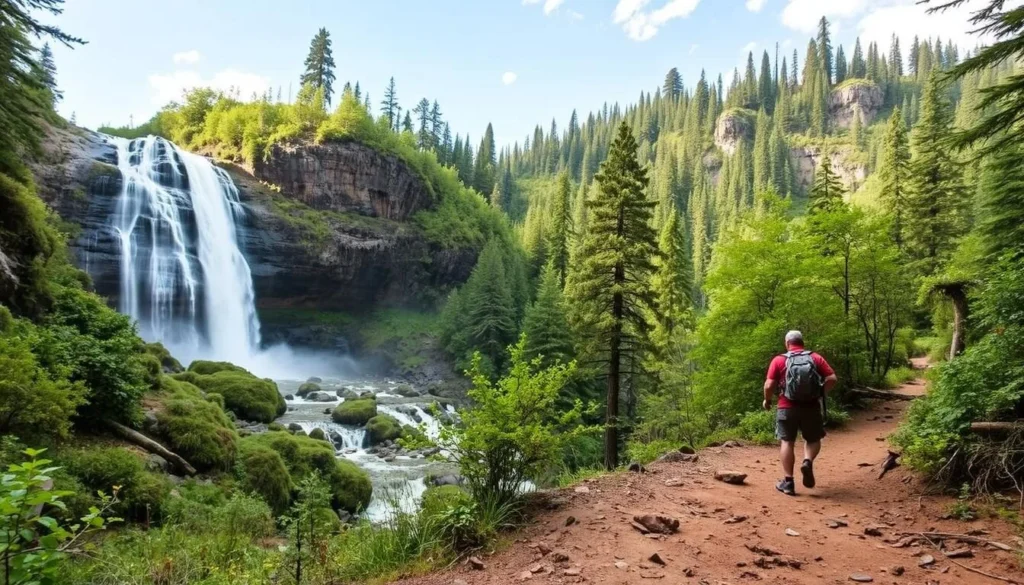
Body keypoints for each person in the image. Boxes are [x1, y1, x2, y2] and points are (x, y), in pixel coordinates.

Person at [763, 330, 837, 496]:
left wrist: (767, 401)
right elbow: (832, 378)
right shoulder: (815, 358)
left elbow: (769, 385)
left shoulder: (779, 360)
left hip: (786, 407)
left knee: (787, 441)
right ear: (802, 342)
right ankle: (807, 461)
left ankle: (788, 483)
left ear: (787, 343)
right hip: (811, 407)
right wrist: (819, 393)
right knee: (813, 439)